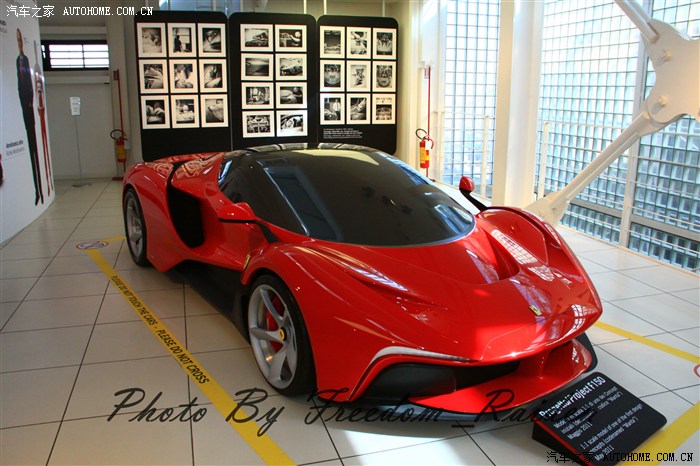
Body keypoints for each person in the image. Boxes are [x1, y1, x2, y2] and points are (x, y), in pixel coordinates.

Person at [16, 29, 43, 205]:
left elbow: (31, 89)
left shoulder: (26, 62)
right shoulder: (17, 62)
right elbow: (20, 87)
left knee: (35, 150)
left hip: (31, 111)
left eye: (20, 40)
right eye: (18, 41)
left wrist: (29, 104)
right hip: (25, 113)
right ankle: (36, 191)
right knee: (31, 150)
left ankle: (39, 190)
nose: (19, 43)